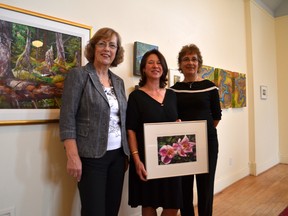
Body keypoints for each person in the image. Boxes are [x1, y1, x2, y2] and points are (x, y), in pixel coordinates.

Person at [59, 27, 130, 216]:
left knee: (111, 209)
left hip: (118, 157)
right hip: (91, 157)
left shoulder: (119, 81)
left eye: (112, 45)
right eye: (102, 44)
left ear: (117, 52)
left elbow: (123, 118)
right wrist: (72, 156)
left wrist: (127, 153)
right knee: (94, 211)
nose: (107, 49)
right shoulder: (79, 75)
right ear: (93, 48)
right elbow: (67, 118)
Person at [126, 49, 183, 216]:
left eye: (158, 63)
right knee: (149, 204)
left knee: (173, 205)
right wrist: (136, 160)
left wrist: (178, 126)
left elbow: (176, 123)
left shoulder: (172, 95)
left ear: (163, 68)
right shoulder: (136, 96)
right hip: (147, 160)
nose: (155, 66)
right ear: (143, 68)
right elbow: (131, 130)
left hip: (171, 160)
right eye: (150, 62)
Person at [171, 44, 222, 216]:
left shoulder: (210, 87)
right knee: (184, 187)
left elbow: (216, 117)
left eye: (194, 59)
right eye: (186, 59)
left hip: (207, 143)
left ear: (199, 63)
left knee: (205, 187)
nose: (190, 62)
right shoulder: (173, 90)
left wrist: (201, 134)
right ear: (180, 63)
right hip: (182, 146)